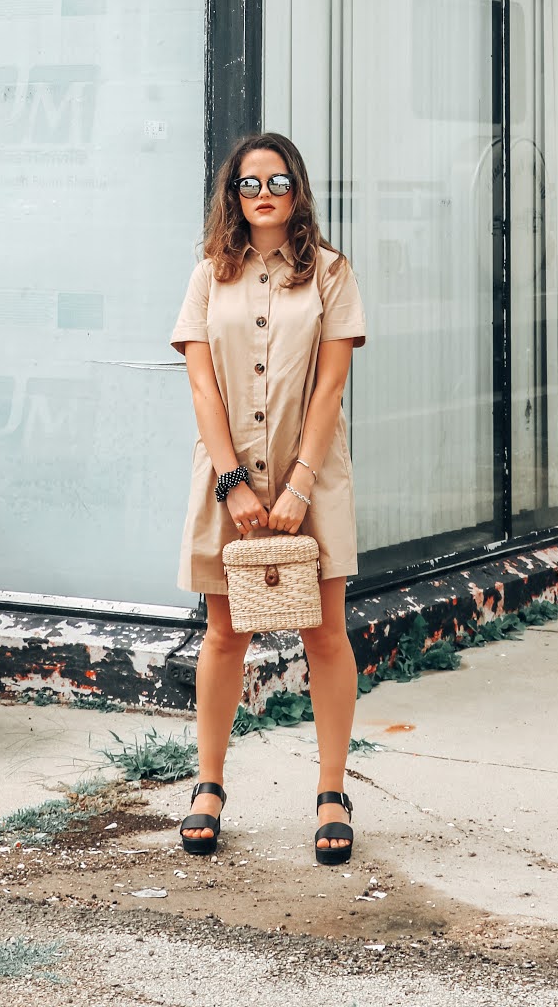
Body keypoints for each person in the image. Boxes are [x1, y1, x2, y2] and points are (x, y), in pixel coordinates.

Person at [170, 131, 366, 867]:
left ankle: (330, 793)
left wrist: (296, 486)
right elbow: (200, 384)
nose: (262, 195)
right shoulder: (205, 276)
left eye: (276, 182)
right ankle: (209, 786)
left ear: (298, 191)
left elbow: (330, 386)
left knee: (324, 635)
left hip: (309, 475)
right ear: (232, 194)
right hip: (227, 480)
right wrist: (232, 483)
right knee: (225, 634)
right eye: (249, 184)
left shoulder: (331, 273)